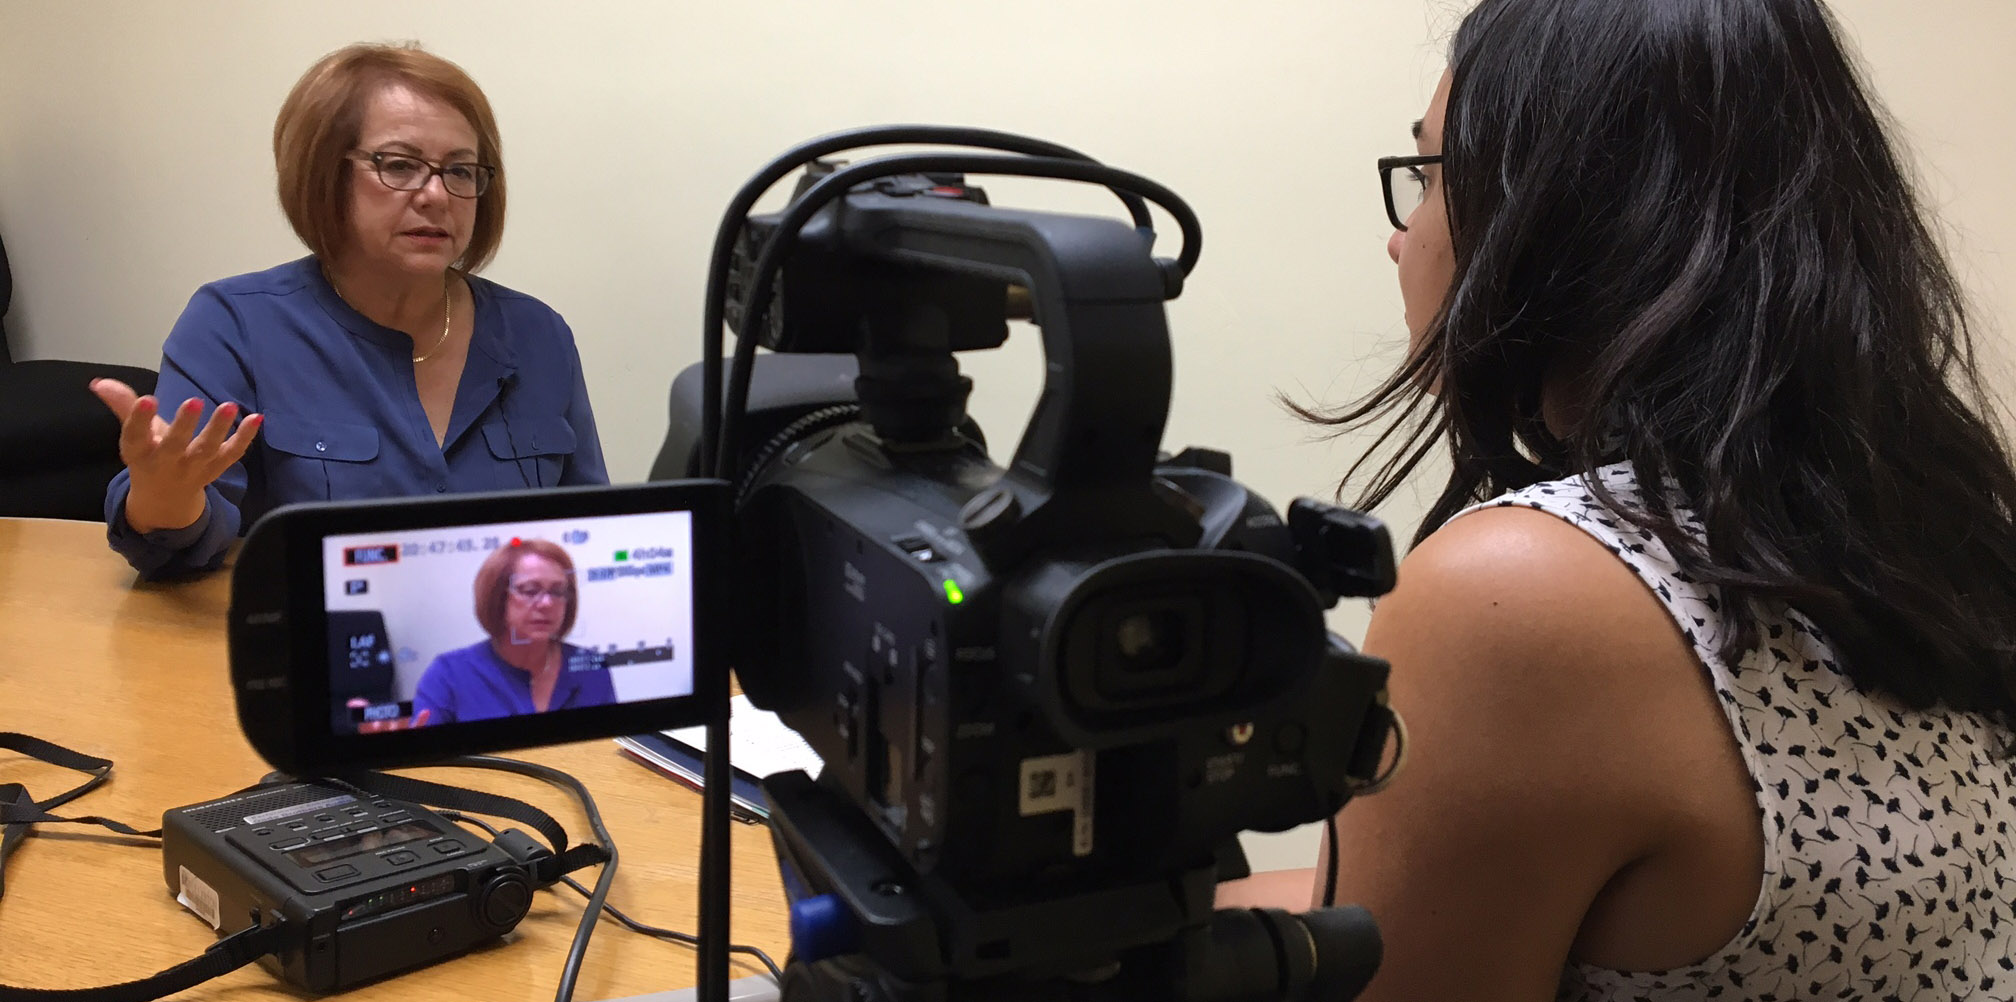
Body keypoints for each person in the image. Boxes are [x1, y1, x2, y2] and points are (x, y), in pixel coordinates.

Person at [1217, 1, 2016, 999]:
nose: (1403, 237)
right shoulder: (1926, 531)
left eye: (1428, 175)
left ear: (1560, 215)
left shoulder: (1522, 596)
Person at [93, 43, 606, 579]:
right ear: (325, 175)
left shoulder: (537, 333)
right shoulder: (234, 324)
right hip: (318, 646)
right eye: (401, 165)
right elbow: (177, 549)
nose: (436, 195)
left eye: (460, 171)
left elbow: (591, 532)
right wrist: (165, 498)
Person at [406, 539, 615, 726]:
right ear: (498, 597)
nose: (546, 603)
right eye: (530, 590)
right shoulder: (449, 674)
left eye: (558, 591)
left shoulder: (590, 666)